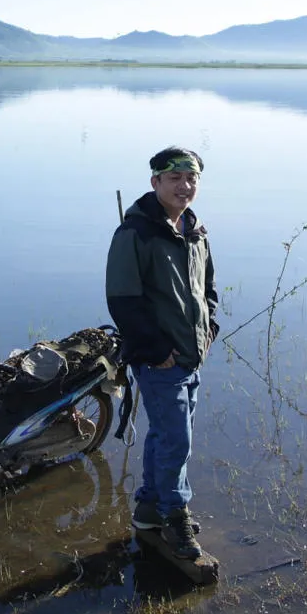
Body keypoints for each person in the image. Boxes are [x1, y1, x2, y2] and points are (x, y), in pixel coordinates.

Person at [105, 146, 219, 559]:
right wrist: (156, 350)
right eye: (175, 179)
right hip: (160, 359)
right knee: (176, 439)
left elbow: (207, 290)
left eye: (191, 179)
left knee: (165, 434)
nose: (184, 187)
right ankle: (175, 517)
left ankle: (150, 508)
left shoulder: (195, 230)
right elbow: (122, 300)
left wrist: (209, 330)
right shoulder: (135, 233)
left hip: (191, 353)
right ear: (155, 182)